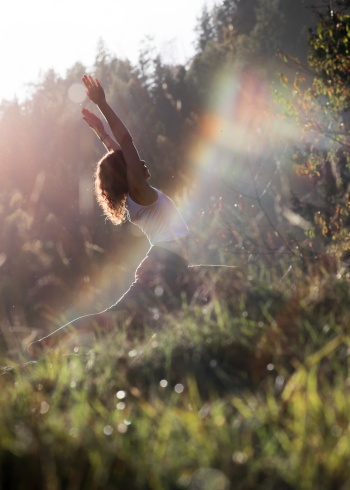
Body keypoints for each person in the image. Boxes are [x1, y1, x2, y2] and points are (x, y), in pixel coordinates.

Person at [27, 74, 191, 357]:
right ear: (127, 172)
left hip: (167, 265)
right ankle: (45, 346)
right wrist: (103, 103)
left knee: (130, 324)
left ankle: (72, 350)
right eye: (130, 162)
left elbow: (118, 151)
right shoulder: (139, 190)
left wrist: (101, 133)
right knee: (111, 319)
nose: (136, 159)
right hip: (165, 266)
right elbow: (125, 142)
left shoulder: (135, 196)